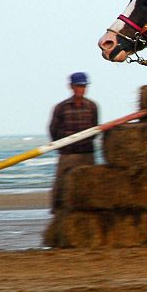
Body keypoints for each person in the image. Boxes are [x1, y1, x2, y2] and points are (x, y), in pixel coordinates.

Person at [48, 72, 99, 212]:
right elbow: (53, 129)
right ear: (71, 87)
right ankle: (56, 211)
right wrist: (63, 146)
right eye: (78, 86)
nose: (81, 89)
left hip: (87, 154)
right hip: (68, 155)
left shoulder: (92, 106)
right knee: (61, 185)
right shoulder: (61, 108)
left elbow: (94, 128)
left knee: (88, 185)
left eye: (83, 86)